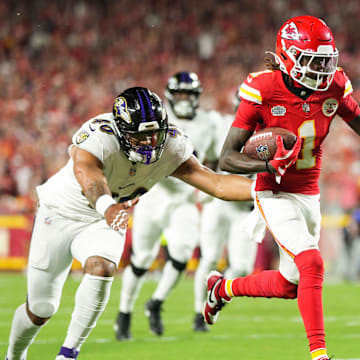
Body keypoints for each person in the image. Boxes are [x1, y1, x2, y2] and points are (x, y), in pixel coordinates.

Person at [5, 86, 255, 360]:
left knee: (102, 268)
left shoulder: (171, 144)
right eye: (140, 136)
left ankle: (68, 354)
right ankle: (14, 356)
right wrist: (106, 206)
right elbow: (87, 174)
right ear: (122, 131)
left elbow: (215, 182)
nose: (149, 142)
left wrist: (262, 191)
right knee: (41, 308)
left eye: (154, 133)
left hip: (106, 218)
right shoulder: (100, 134)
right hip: (63, 212)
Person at [203, 15, 360, 360]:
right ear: (288, 56)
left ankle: (222, 288)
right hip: (272, 190)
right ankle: (319, 355)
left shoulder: (334, 85)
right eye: (313, 61)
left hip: (309, 194)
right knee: (312, 262)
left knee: (291, 285)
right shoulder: (263, 88)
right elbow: (227, 159)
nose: (321, 69)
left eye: (325, 60)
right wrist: (267, 165)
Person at [114, 72, 227, 339]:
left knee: (182, 255)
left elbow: (210, 159)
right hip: (153, 195)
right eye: (181, 94)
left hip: (184, 199)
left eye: (190, 94)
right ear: (170, 97)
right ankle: (125, 313)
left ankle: (156, 301)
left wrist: (207, 183)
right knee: (141, 260)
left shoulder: (208, 124)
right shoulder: (157, 118)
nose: (185, 99)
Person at [193, 92, 258, 332]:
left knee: (241, 268)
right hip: (219, 199)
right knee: (209, 257)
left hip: (244, 206)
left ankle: (215, 294)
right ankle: (197, 313)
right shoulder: (221, 126)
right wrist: (204, 186)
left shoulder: (273, 131)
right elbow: (205, 160)